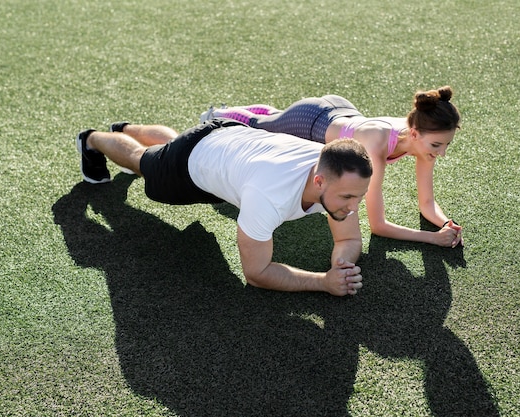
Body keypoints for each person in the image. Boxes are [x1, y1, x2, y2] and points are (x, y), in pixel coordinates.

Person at [76, 118, 373, 296]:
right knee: (142, 162)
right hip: (192, 163)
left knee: (172, 145)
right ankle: (91, 139)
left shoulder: (334, 170)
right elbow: (256, 274)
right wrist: (323, 282)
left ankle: (125, 127)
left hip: (224, 140)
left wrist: (341, 265)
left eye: (359, 196)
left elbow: (348, 239)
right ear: (319, 181)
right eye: (348, 197)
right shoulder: (269, 195)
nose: (354, 206)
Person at [201, 86, 464, 248]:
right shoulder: (375, 145)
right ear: (415, 134)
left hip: (340, 112)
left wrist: (446, 224)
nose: (441, 153)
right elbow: (378, 226)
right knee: (259, 126)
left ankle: (244, 113)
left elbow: (427, 204)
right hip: (310, 122)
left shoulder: (422, 140)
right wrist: (431, 238)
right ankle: (217, 117)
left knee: (272, 118)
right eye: (437, 145)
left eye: (446, 145)